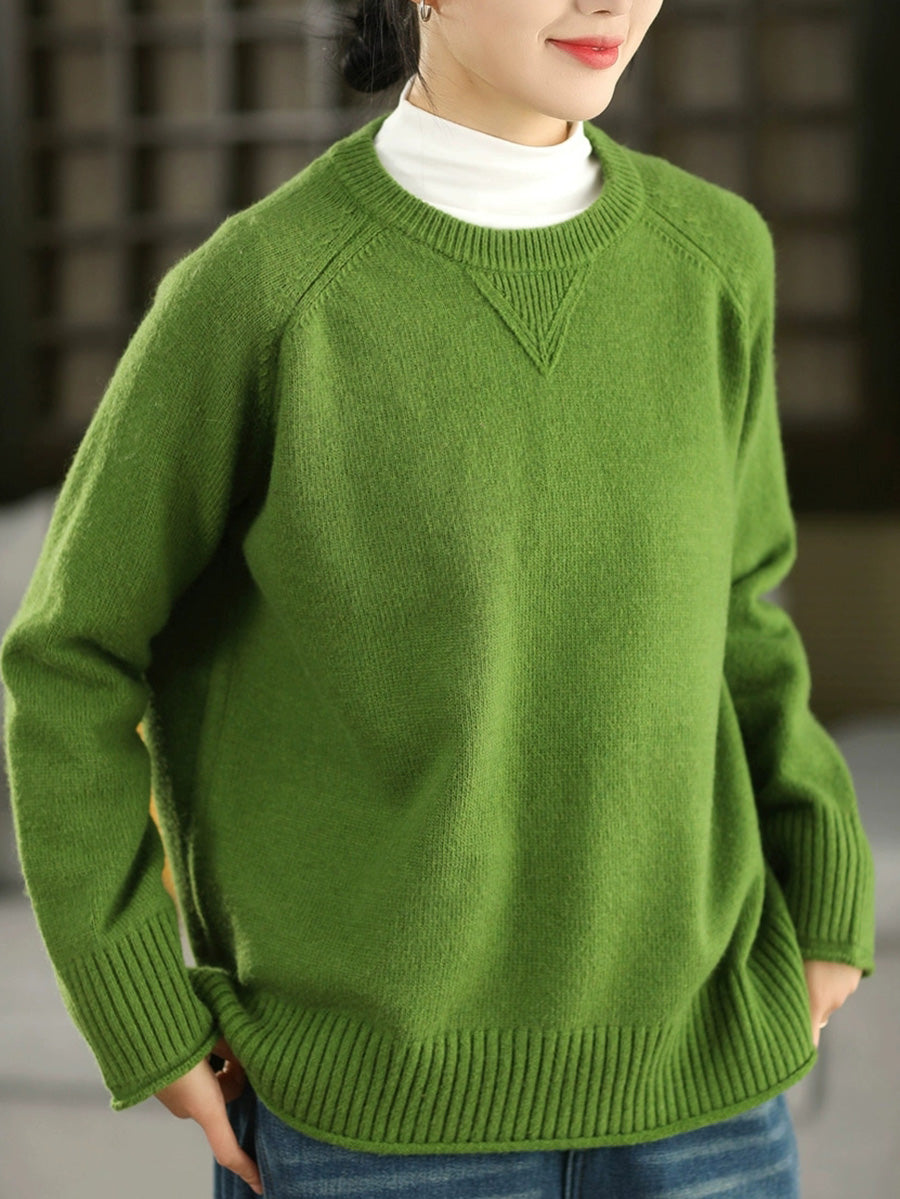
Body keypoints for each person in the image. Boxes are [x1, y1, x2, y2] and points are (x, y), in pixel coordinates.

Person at [0, 1, 875, 1197]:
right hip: (366, 1129)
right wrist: (142, 1004)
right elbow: (69, 656)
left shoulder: (717, 257)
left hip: (712, 1101)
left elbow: (741, 613)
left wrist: (824, 895)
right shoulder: (260, 293)